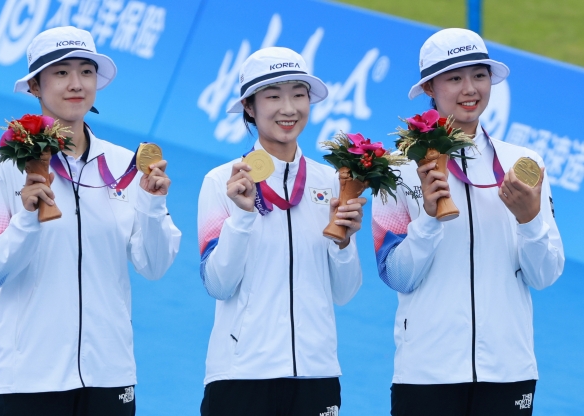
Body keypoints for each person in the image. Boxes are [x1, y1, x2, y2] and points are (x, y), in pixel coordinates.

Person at [0, 26, 181, 416]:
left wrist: (152, 204)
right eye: (61, 73)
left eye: (86, 71)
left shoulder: (126, 165)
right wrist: (26, 221)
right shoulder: (3, 168)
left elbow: (154, 265)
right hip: (30, 377)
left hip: (110, 375)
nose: (76, 84)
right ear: (35, 86)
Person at [372, 28, 564, 416]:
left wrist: (529, 221)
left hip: (508, 370)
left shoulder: (523, 164)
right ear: (429, 87)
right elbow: (396, 276)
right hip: (426, 373)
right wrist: (428, 218)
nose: (469, 89)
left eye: (478, 75)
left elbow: (545, 276)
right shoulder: (396, 170)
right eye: (454, 78)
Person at [197, 47, 365, 416]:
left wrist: (344, 244)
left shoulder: (332, 181)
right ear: (249, 107)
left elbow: (345, 292)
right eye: (273, 96)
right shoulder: (222, 181)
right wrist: (242, 218)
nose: (289, 108)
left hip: (317, 374)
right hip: (241, 374)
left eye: (298, 94)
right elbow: (217, 284)